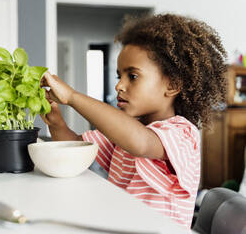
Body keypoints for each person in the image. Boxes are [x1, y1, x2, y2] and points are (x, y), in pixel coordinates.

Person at [40, 13, 227, 229]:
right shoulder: (127, 129)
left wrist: (72, 97)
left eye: (133, 76)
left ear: (173, 85)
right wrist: (56, 122)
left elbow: (141, 143)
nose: (119, 85)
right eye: (119, 76)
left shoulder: (182, 133)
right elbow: (75, 148)